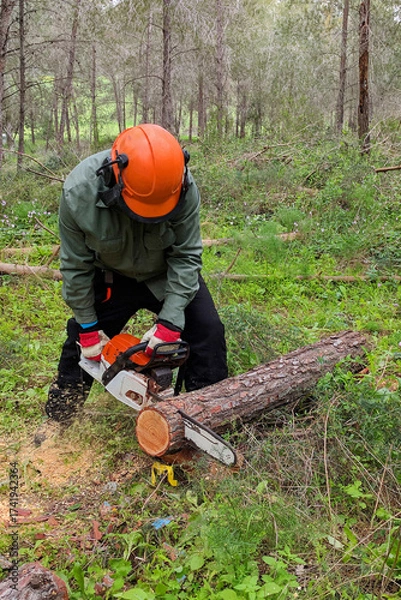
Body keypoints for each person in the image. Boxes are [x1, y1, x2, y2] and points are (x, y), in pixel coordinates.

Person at [44, 123, 228, 423]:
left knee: (208, 330)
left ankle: (205, 417)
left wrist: (171, 320)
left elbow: (186, 255)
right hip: (110, 276)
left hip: (165, 274)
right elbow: (76, 267)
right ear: (114, 174)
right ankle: (58, 424)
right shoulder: (79, 193)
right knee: (80, 343)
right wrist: (89, 326)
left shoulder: (180, 184)